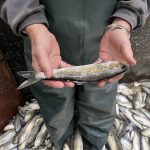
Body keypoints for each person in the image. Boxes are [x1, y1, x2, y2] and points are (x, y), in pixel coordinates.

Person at [0, 0, 149, 149]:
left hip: (106, 43)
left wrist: (122, 23)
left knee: (99, 101)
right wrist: (34, 27)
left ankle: (93, 144)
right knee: (56, 103)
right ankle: (63, 143)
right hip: (46, 43)